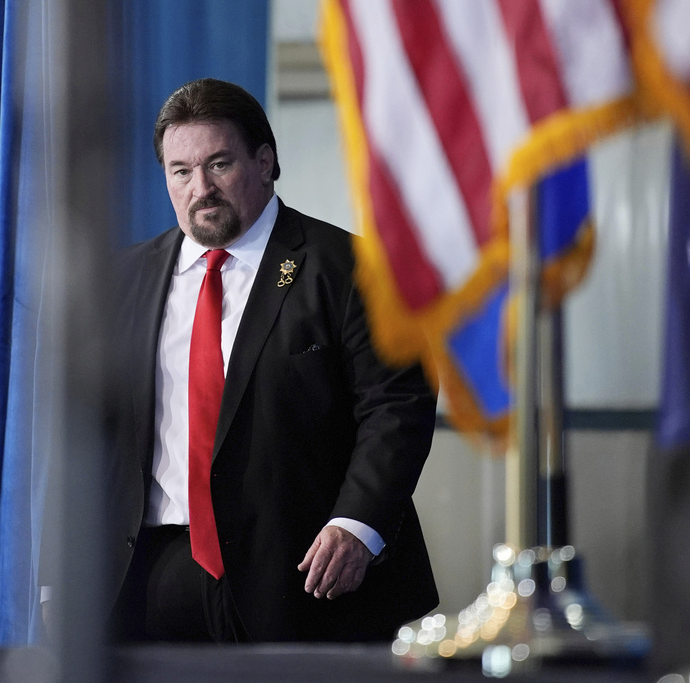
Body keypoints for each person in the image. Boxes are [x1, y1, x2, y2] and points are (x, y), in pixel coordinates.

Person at [48, 78, 439, 643]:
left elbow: (396, 408)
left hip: (307, 577)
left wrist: (358, 525)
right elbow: (79, 435)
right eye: (180, 171)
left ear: (264, 162)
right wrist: (55, 579)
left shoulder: (353, 270)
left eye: (219, 164)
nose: (200, 187)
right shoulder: (119, 282)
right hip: (148, 576)